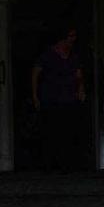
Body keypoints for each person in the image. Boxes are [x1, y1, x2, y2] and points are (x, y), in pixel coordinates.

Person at [32, 26, 86, 172]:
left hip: (69, 99)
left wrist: (81, 89)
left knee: (68, 131)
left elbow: (78, 75)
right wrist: (35, 95)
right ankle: (50, 165)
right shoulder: (48, 55)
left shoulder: (73, 56)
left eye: (74, 36)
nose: (72, 40)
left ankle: (67, 164)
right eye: (70, 36)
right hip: (51, 99)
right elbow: (36, 73)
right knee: (51, 131)